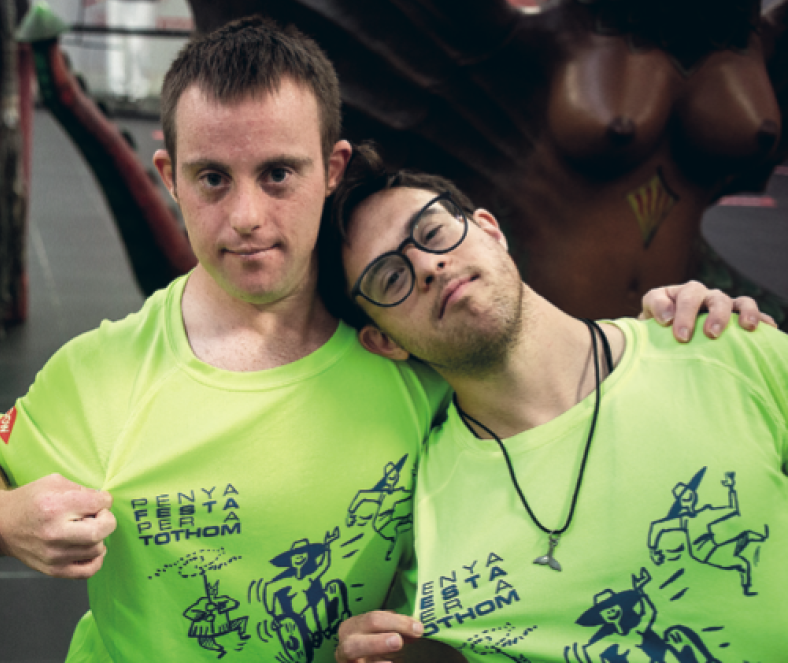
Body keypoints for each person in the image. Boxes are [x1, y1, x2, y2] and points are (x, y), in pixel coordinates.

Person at [0, 17, 760, 663]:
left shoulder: (410, 353)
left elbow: (548, 376)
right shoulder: (107, 369)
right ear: (169, 176)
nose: (247, 216)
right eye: (212, 178)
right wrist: (4, 513)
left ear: (331, 169)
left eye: (279, 174)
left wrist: (684, 330)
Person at [322, 143, 786, 662]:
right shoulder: (418, 517)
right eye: (390, 278)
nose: (430, 265)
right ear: (384, 342)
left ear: (490, 230)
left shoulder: (726, 348)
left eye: (432, 233)